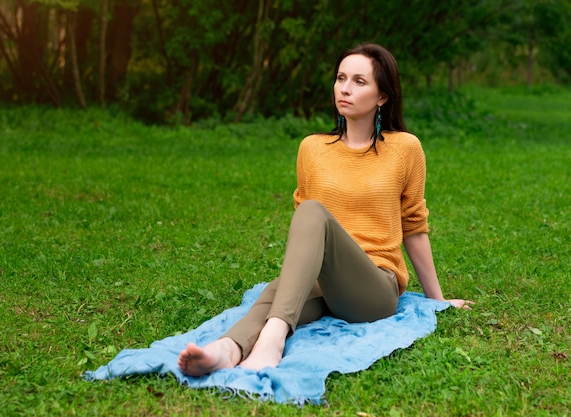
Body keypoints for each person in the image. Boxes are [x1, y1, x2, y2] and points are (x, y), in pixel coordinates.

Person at [178, 43, 473, 377]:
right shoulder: (312, 149)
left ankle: (271, 343)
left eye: (359, 81)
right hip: (324, 283)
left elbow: (414, 226)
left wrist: (437, 300)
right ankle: (227, 349)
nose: (345, 88)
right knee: (280, 295)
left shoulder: (405, 149)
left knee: (312, 214)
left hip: (373, 289)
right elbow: (308, 241)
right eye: (341, 78)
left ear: (382, 97)